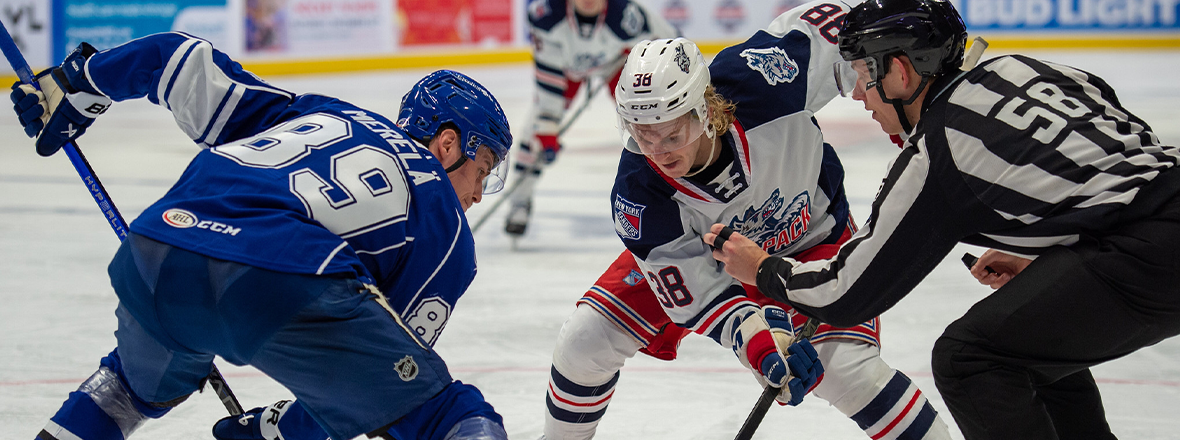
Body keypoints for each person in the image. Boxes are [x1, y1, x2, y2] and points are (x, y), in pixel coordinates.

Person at [707, 0, 1180, 438]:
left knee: (969, 360)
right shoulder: (1024, 68)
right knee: (1028, 342)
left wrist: (762, 268)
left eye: (861, 74)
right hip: (1159, 222)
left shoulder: (938, 151)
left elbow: (846, 292)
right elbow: (1119, 164)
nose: (857, 94)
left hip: (1151, 255)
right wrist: (1053, 249)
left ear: (900, 72)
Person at [12, 32, 515, 440]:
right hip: (282, 274)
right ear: (448, 144)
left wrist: (79, 82)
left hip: (156, 249)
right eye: (483, 168)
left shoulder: (325, 113)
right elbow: (366, 379)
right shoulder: (446, 230)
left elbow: (180, 61)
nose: (477, 194)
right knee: (442, 411)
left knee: (123, 389)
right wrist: (276, 431)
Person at [541, 3, 955, 438]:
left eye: (671, 134)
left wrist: (911, 107)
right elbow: (697, 293)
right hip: (707, 257)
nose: (659, 152)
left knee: (847, 372)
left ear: (703, 111)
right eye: (642, 134)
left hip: (810, 242)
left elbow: (853, 27)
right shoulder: (639, 192)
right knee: (585, 341)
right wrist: (759, 344)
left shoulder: (767, 77)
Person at [504, 0, 677, 237]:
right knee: (534, 137)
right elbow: (549, 79)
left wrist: (641, 55)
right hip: (567, 71)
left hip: (616, 64)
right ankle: (519, 201)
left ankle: (672, 192)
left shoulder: (627, 16)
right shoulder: (547, 14)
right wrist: (546, 126)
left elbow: (672, 43)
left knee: (650, 125)